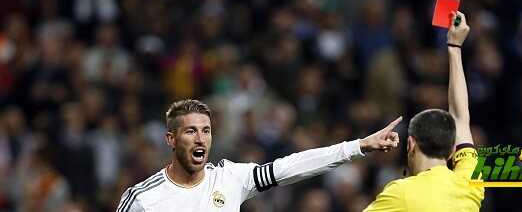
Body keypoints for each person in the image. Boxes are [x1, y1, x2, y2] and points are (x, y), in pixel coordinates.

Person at [115, 99, 402, 212]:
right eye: (190, 131)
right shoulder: (143, 199)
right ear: (171, 139)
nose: (201, 138)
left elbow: (290, 167)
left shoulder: (230, 178)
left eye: (206, 130)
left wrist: (358, 146)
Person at [364, 11, 484, 211]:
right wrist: (455, 47)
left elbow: (460, 119)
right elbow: (461, 118)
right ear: (453, 150)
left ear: (411, 144)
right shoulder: (470, 183)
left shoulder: (400, 194)